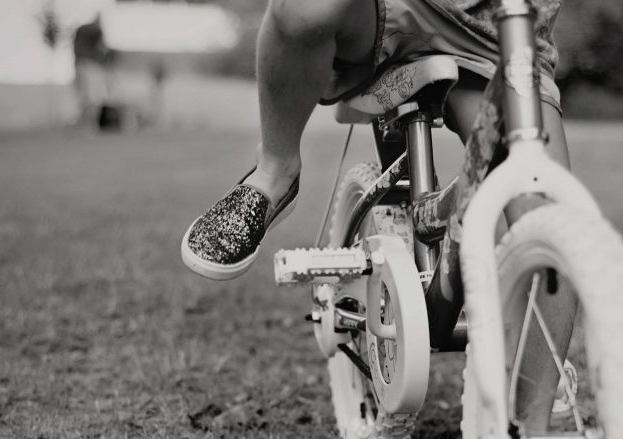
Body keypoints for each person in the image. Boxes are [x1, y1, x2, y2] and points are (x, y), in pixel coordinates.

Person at [181, 0, 566, 280]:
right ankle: (274, 171)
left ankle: (540, 392)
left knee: (551, 227)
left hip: (494, 34)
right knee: (302, 9)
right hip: (383, 8)